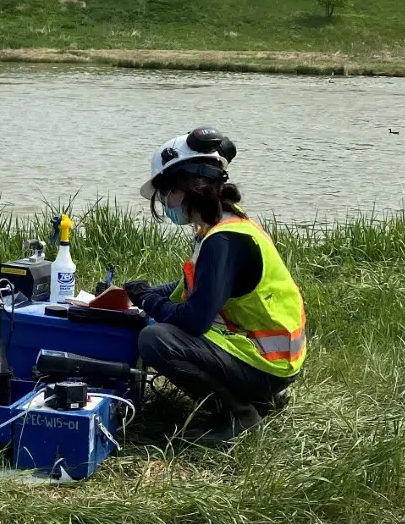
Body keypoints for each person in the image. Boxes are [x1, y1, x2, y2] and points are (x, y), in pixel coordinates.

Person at [123, 126, 306, 445]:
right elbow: (187, 290)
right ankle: (258, 401)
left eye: (165, 192)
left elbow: (194, 319)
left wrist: (148, 302)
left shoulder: (224, 240)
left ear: (184, 186)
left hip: (267, 364)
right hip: (268, 359)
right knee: (159, 322)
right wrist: (142, 293)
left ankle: (238, 415)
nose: (165, 202)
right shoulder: (221, 228)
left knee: (156, 339)